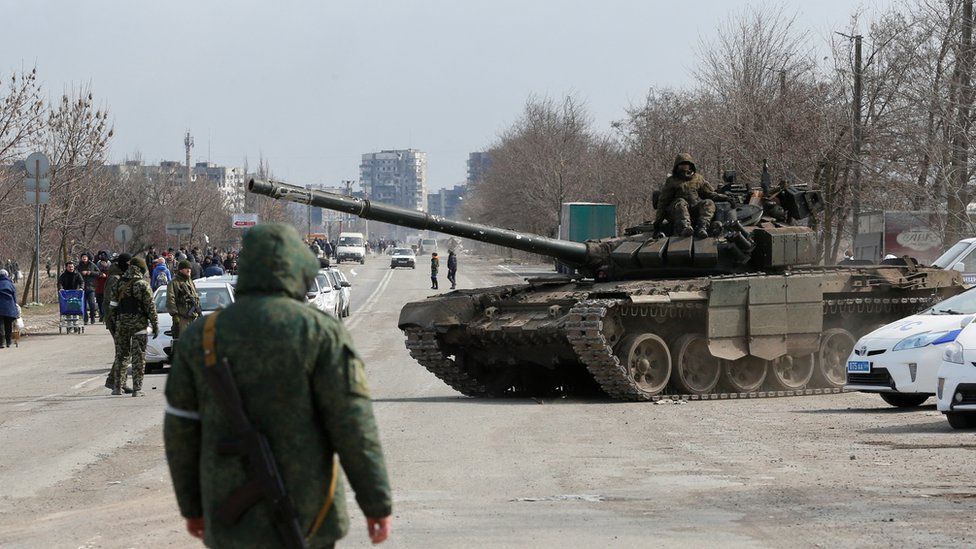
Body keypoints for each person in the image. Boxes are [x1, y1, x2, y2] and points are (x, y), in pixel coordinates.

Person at [163, 224, 392, 547]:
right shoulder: (320, 332)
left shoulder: (203, 336)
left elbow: (181, 431)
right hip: (309, 512)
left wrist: (192, 507)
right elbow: (353, 424)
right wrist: (376, 503)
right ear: (299, 269)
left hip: (230, 515)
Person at [107, 256, 158, 397]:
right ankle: (137, 389)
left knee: (121, 356)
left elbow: (112, 305)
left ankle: (117, 387)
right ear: (141, 269)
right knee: (138, 356)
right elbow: (151, 308)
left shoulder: (118, 283)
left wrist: (114, 321)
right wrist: (155, 324)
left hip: (122, 323)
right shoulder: (142, 284)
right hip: (139, 325)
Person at [654, 153, 733, 239]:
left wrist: (725, 197)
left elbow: (710, 194)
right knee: (680, 202)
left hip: (694, 210)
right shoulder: (671, 181)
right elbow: (663, 201)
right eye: (682, 166)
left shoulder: (698, 178)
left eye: (686, 165)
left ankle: (702, 228)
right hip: (676, 213)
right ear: (677, 167)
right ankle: (685, 228)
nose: (684, 168)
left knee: (708, 203)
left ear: (691, 166)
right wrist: (658, 222)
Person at [103, 254, 132, 393]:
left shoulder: (121, 277)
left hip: (122, 319)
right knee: (123, 351)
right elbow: (110, 302)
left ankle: (120, 381)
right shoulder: (114, 279)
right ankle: (114, 381)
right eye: (128, 263)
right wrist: (114, 320)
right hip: (115, 320)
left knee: (124, 350)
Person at [166, 260, 200, 341]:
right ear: (181, 270)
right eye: (186, 269)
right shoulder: (174, 283)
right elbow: (170, 299)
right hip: (182, 317)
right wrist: (175, 315)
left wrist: (198, 310)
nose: (189, 270)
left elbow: (196, 297)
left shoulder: (190, 281)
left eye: (190, 269)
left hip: (193, 316)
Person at [77, 253, 100, 324]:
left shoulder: (92, 265)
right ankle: (85, 318)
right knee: (83, 304)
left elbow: (99, 273)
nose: (84, 258)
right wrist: (81, 273)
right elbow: (75, 274)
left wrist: (90, 272)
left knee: (92, 304)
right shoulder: (78, 266)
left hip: (91, 287)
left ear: (88, 258)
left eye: (85, 257)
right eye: (83, 257)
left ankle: (92, 316)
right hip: (82, 288)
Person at [0, 269, 17, 349]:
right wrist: (15, 306)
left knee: (1, 325)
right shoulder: (10, 284)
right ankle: (8, 342)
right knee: (8, 325)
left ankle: (1, 343)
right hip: (9, 307)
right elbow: (14, 297)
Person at [94, 255, 111, 322]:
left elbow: (111, 278)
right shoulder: (97, 268)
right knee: (100, 303)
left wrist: (105, 276)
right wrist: (99, 275)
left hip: (106, 289)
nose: (103, 263)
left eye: (104, 262)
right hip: (98, 288)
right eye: (102, 262)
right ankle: (101, 315)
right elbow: (94, 276)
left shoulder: (110, 269)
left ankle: (105, 316)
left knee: (106, 303)